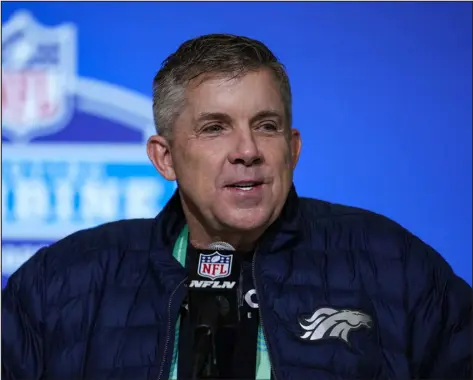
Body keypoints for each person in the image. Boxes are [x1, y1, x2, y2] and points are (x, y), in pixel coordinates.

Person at [2, 34, 471, 380]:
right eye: (214, 128)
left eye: (266, 126)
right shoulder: (62, 281)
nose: (247, 150)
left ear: (294, 148)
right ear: (164, 158)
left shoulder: (392, 264)